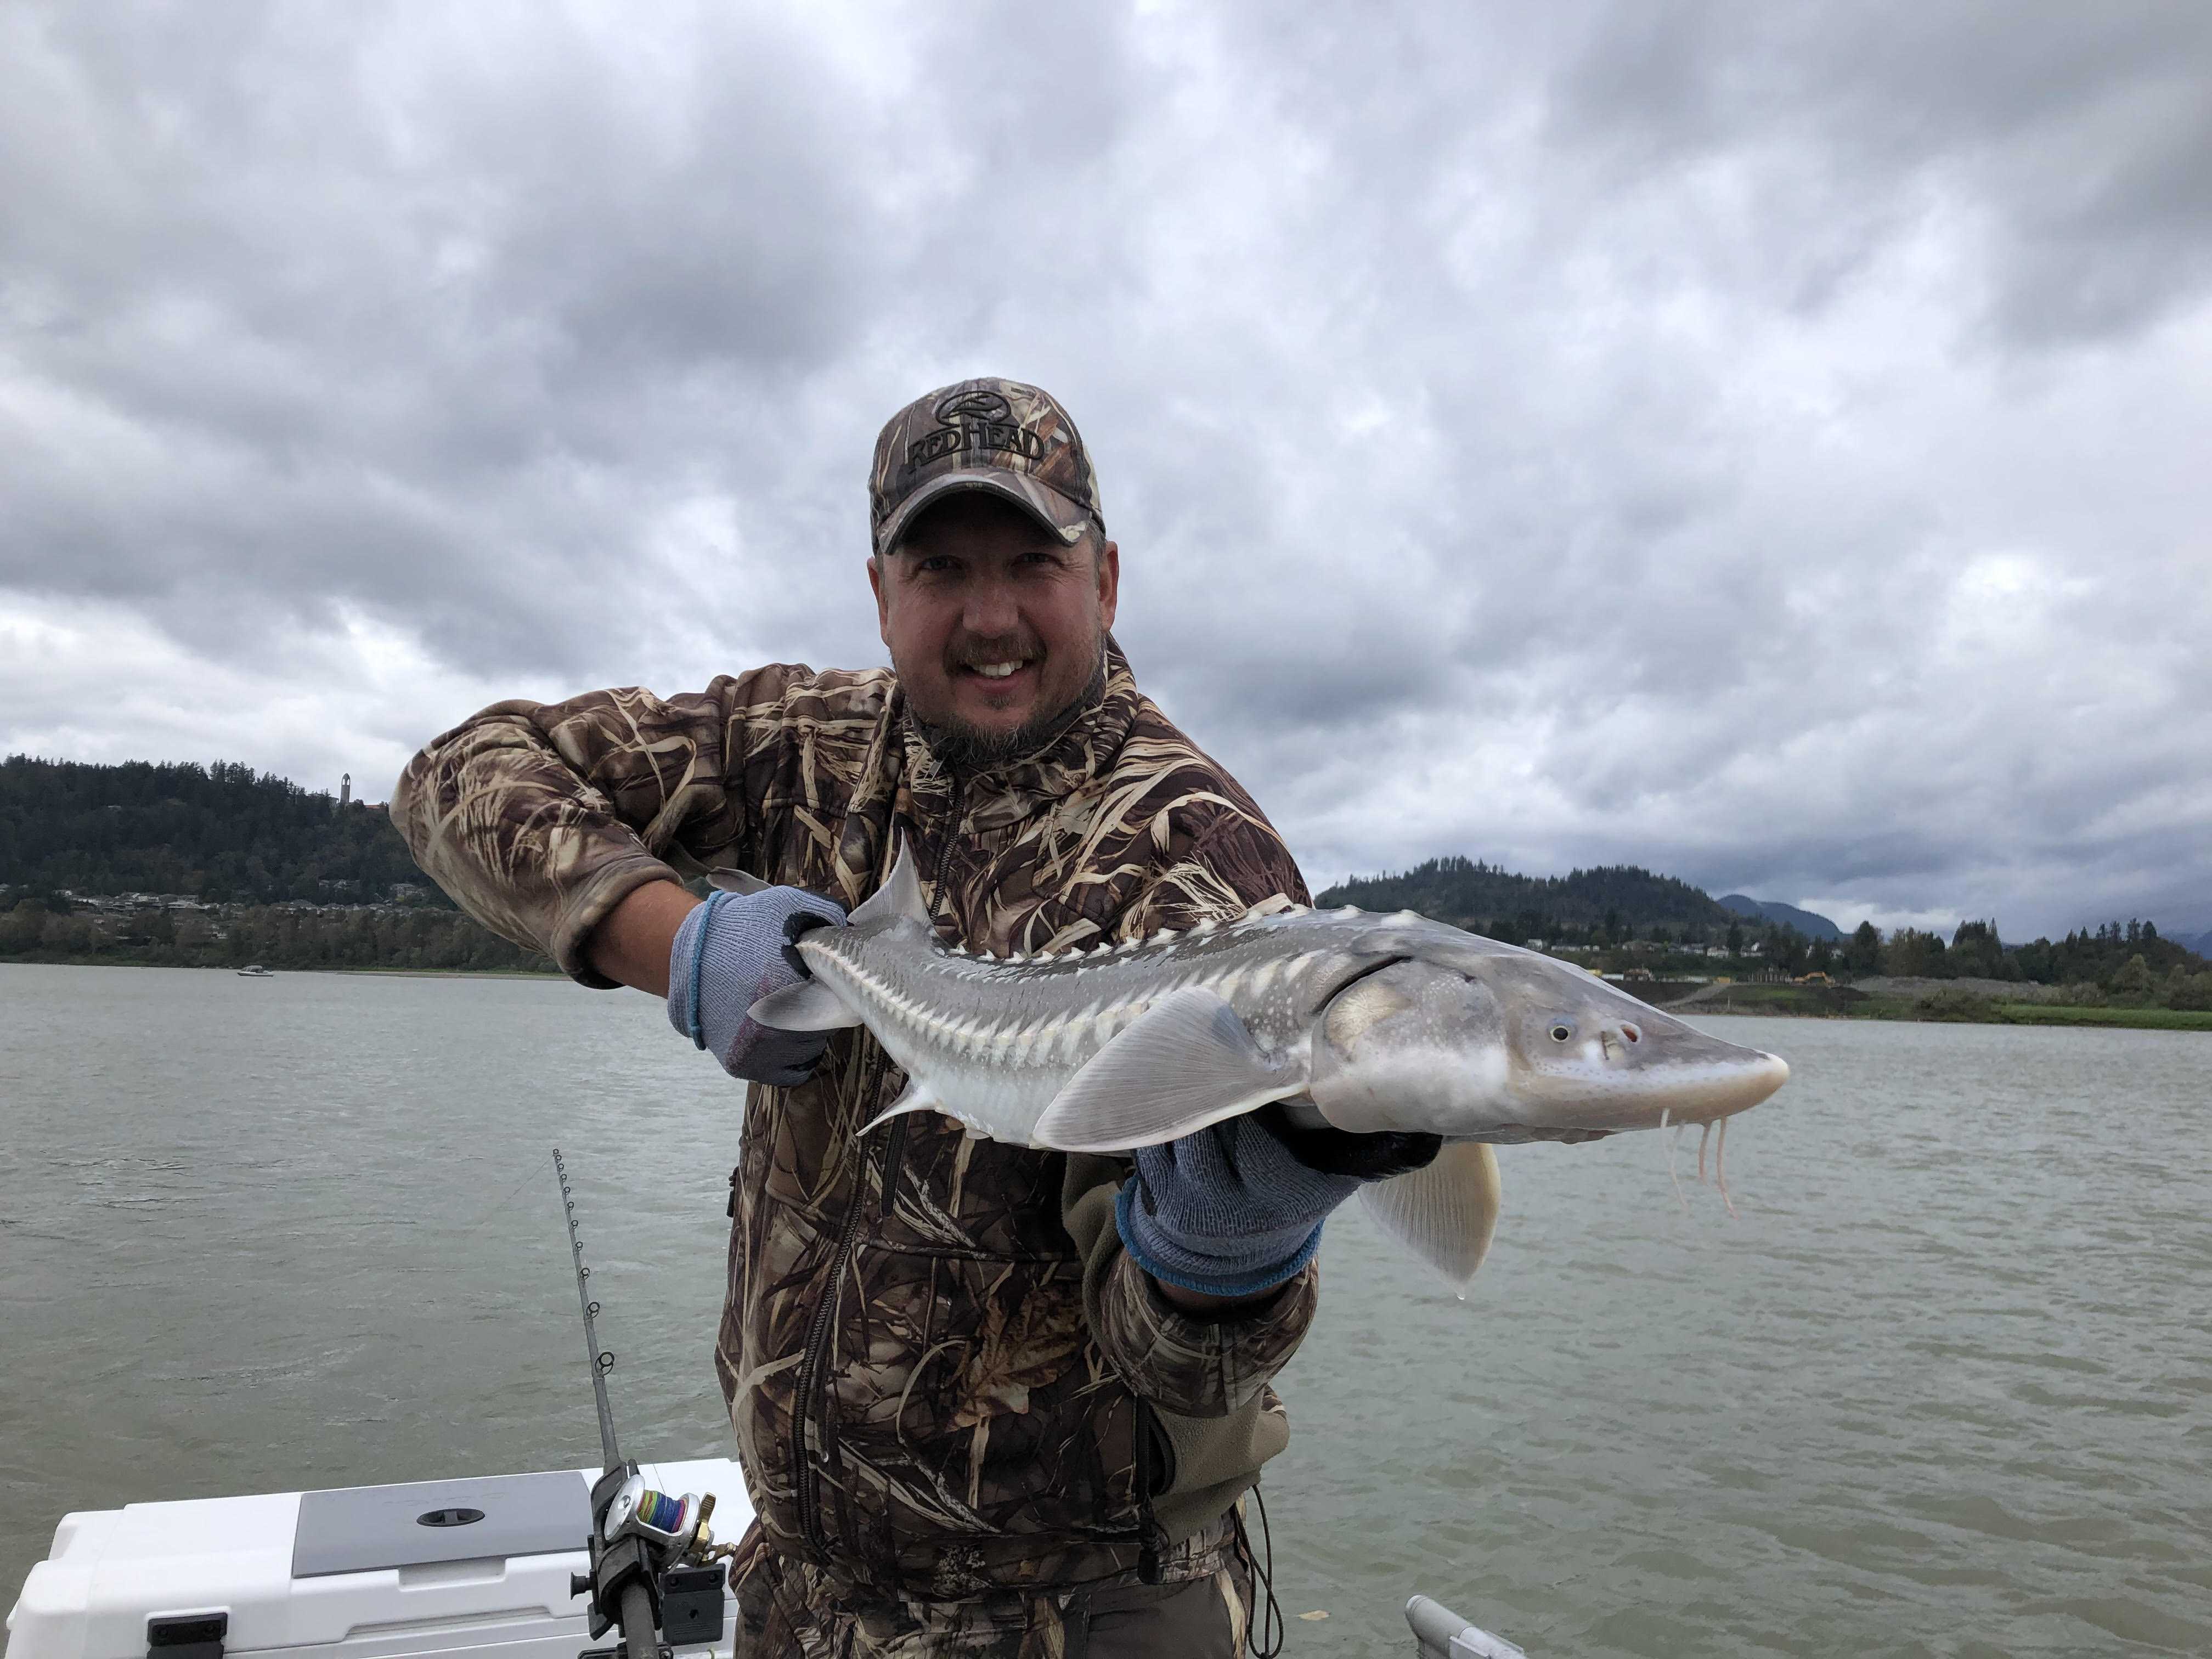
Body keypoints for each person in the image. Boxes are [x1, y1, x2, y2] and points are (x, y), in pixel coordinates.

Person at [392, 379, 1437, 1657]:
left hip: (1069, 1617)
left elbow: (1188, 1380)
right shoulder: (805, 743)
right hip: (798, 1588)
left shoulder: (1193, 864)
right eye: (942, 566)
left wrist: (1228, 1250)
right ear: (880, 590)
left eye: (1032, 564)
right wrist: (673, 942)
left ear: (1106, 581)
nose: (989, 618)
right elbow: (459, 773)